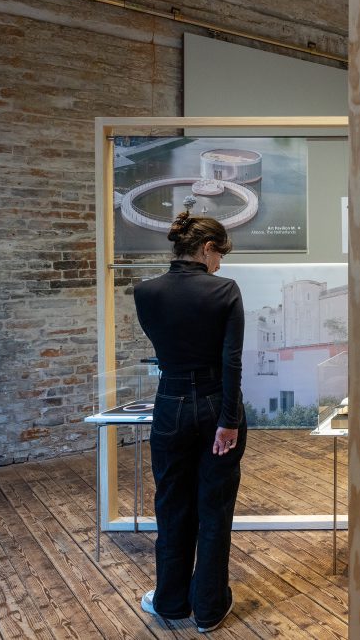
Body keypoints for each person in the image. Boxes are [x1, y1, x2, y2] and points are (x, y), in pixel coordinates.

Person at [134, 211, 245, 633]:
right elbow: (230, 361)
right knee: (214, 506)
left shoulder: (146, 292)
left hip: (170, 403)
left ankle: (171, 601)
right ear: (207, 248)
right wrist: (228, 421)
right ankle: (210, 608)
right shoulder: (224, 291)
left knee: (171, 503)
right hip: (217, 404)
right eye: (219, 255)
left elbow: (165, 351)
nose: (220, 265)